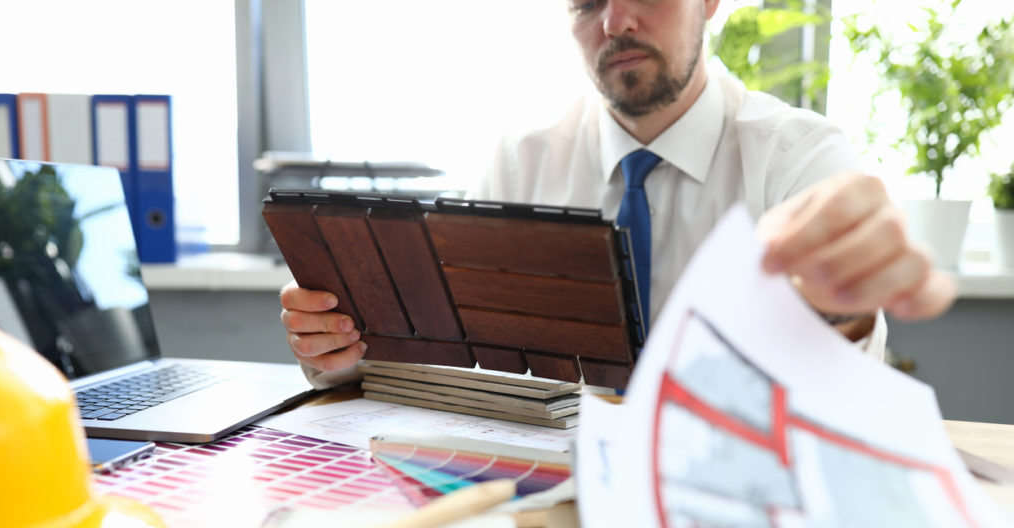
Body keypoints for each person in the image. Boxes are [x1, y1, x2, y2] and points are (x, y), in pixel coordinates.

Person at [280, 0, 956, 389]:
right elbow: (465, 370)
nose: (616, 20)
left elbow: (844, 375)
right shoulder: (520, 162)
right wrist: (344, 357)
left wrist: (841, 305)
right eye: (587, 2)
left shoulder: (798, 156)